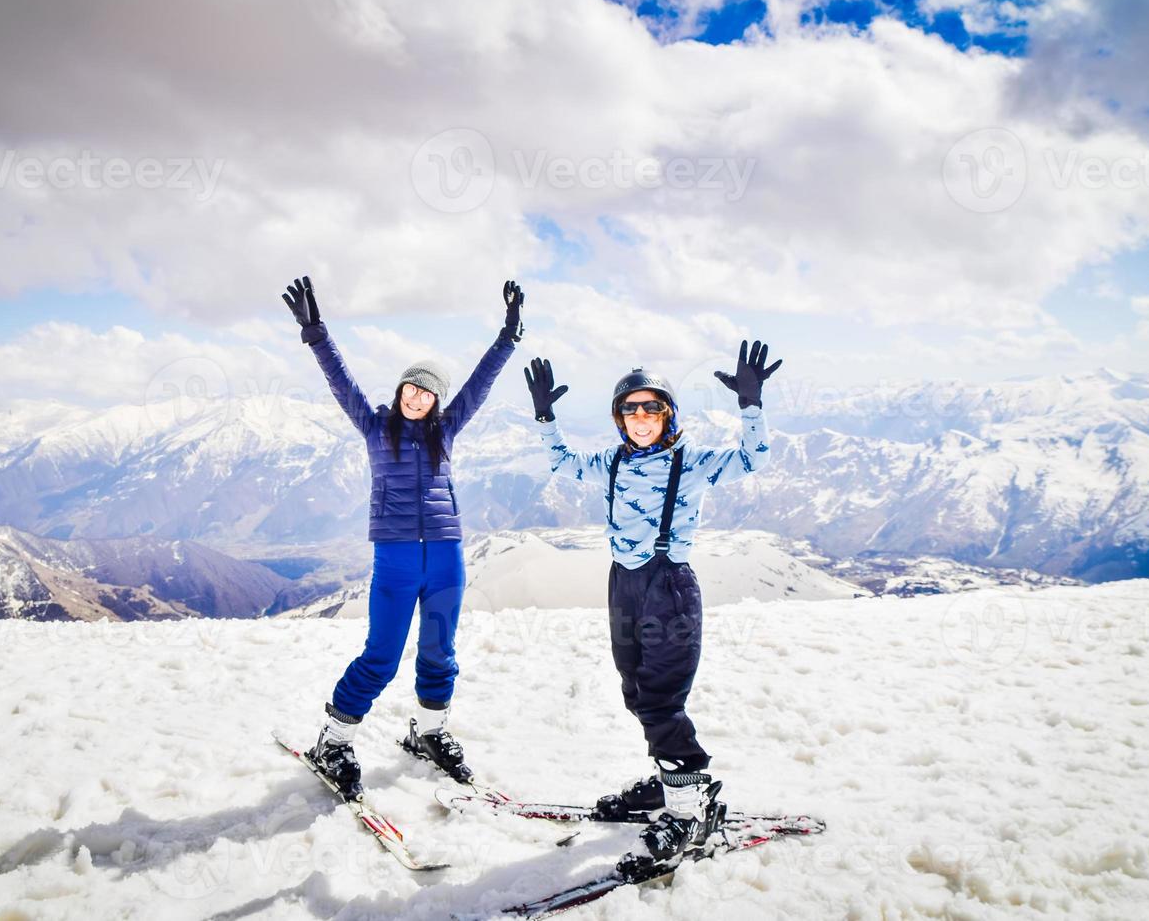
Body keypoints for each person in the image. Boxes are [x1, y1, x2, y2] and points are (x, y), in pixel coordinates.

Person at [523, 341, 781, 877]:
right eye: (629, 409)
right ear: (619, 419)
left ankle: (690, 809)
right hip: (623, 584)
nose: (640, 418)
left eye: (651, 407)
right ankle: (669, 781)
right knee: (636, 691)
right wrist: (546, 416)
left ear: (668, 414)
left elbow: (754, 459)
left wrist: (750, 406)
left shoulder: (693, 464)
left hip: (669, 588)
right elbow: (563, 464)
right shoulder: (613, 463)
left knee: (663, 700)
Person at [282, 275, 523, 798]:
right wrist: (317, 334)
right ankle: (333, 741)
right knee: (383, 654)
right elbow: (340, 382)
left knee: (440, 650)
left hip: (445, 554)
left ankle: (429, 733)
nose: (416, 397)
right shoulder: (374, 428)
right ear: (400, 392)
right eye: (410, 388)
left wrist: (507, 338)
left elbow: (479, 385)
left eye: (427, 392)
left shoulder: (447, 431)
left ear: (437, 401)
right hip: (394, 558)